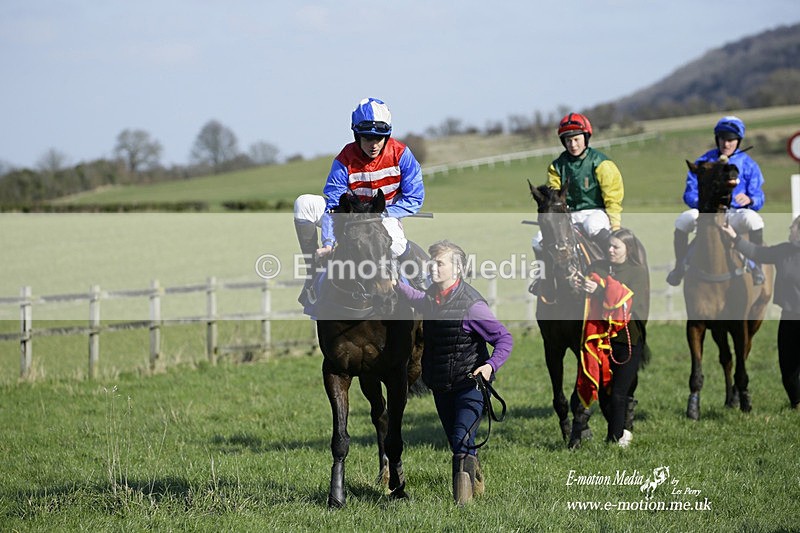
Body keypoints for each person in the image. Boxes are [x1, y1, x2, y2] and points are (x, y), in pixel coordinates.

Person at [393, 240, 513, 504]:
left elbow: (504, 339)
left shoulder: (472, 306)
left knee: (460, 442)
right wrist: (392, 284)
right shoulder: (433, 299)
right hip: (441, 386)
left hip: (470, 385)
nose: (432, 267)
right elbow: (416, 297)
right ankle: (475, 472)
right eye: (431, 262)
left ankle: (462, 509)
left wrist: (490, 366)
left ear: (456, 269)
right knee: (460, 443)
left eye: (439, 263)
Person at [293, 97, 425, 305]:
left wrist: (384, 215)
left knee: (397, 243)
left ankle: (419, 281)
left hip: (385, 213)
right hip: (350, 217)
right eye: (367, 138)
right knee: (304, 203)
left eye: (379, 138)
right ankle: (313, 273)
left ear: (387, 135)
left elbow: (415, 198)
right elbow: (333, 204)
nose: (373, 144)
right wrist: (329, 242)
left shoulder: (402, 155)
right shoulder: (344, 158)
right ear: (357, 136)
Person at [530, 113, 624, 297]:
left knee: (593, 226)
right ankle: (544, 279)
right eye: (568, 140)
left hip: (596, 212)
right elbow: (554, 196)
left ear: (586, 138)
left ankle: (615, 272)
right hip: (567, 215)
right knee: (537, 240)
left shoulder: (602, 163)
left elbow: (612, 198)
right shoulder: (556, 166)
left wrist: (615, 226)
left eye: (576, 139)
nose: (572, 145)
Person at [667, 115, 766, 286]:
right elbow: (689, 193)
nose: (725, 144)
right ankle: (679, 267)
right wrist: (705, 203)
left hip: (736, 213)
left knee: (753, 219)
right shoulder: (703, 162)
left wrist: (751, 199)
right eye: (722, 139)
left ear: (738, 140)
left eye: (730, 140)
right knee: (683, 220)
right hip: (706, 212)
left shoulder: (750, 165)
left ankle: (756, 266)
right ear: (717, 139)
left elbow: (759, 196)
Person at [572, 228, 650, 447]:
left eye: (616, 247)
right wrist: (580, 288)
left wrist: (599, 291)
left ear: (628, 249)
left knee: (618, 393)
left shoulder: (637, 272)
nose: (610, 250)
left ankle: (614, 439)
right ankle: (619, 434)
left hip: (628, 339)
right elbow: (587, 302)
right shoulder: (597, 268)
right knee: (605, 392)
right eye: (609, 246)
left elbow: (629, 304)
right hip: (601, 340)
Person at [721, 216, 800, 409]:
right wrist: (735, 238)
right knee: (787, 366)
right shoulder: (783, 251)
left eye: (793, 227)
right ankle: (796, 403)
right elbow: (758, 253)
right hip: (789, 317)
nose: (790, 229)